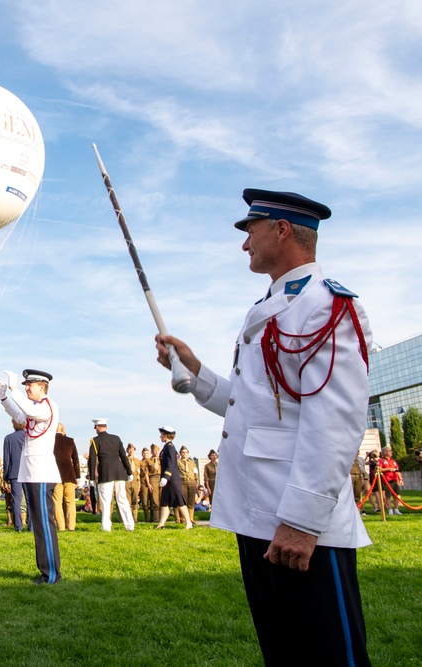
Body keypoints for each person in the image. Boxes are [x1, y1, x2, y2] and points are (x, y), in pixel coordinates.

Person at [155, 189, 372, 665]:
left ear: (281, 229)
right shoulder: (270, 305)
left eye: (249, 230)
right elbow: (254, 407)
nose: (243, 243)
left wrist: (302, 521)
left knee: (327, 654)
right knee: (285, 650)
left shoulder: (325, 306)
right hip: (259, 516)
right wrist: (195, 373)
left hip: (298, 523)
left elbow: (335, 419)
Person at [0, 369, 61, 584]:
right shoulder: (36, 409)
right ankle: (45, 571)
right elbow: (19, 415)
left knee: (43, 526)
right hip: (32, 473)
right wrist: (4, 396)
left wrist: (13, 389)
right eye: (24, 385)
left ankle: (51, 574)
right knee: (39, 526)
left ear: (42, 386)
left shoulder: (47, 406)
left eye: (29, 385)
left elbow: (29, 412)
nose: (26, 388)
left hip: (41, 473)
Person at [87, 418, 135, 532]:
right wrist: (129, 472)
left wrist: (92, 478)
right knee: (122, 499)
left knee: (105, 501)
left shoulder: (94, 441)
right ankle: (129, 525)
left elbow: (92, 460)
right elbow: (123, 456)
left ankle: (106, 526)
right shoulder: (116, 438)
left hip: (106, 472)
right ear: (106, 426)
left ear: (97, 427)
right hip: (119, 471)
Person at [156, 427, 192, 529]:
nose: (160, 436)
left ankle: (188, 522)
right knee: (165, 501)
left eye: (162, 434)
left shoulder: (170, 447)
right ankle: (161, 524)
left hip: (172, 479)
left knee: (179, 500)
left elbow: (171, 463)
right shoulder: (166, 447)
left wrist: (166, 476)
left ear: (166, 435)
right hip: (168, 479)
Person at [52, 423, 80, 531]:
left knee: (57, 502)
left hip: (55, 475)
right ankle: (71, 526)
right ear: (63, 430)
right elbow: (76, 460)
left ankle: (61, 526)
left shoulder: (50, 441)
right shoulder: (70, 441)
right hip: (69, 475)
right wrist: (77, 476)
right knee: (70, 501)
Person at [2, 419, 27, 531]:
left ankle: (18, 526)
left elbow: (6, 459)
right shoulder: (29, 436)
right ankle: (31, 525)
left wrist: (6, 475)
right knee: (29, 499)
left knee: (16, 500)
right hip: (28, 472)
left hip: (14, 472)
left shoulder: (8, 438)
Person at [378, 446, 403, 515]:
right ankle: (390, 509)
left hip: (395, 480)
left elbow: (397, 470)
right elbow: (378, 469)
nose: (391, 452)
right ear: (385, 452)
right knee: (388, 496)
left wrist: (400, 479)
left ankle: (396, 509)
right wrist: (388, 469)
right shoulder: (381, 461)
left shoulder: (393, 461)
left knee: (396, 495)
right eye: (389, 451)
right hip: (387, 481)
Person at [179, 445, 199, 523]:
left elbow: (195, 471)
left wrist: (196, 480)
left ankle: (191, 517)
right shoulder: (178, 462)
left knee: (191, 500)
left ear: (188, 453)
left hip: (192, 481)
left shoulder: (192, 462)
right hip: (182, 481)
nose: (184, 454)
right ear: (180, 453)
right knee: (184, 500)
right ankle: (183, 518)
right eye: (183, 452)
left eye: (186, 452)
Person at [140, 445, 160, 522]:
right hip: (153, 478)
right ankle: (155, 518)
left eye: (157, 450)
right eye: (154, 450)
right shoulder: (148, 461)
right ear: (152, 452)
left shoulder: (161, 459)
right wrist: (148, 483)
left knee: (160, 498)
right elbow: (146, 473)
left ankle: (161, 517)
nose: (156, 452)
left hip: (161, 478)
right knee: (154, 499)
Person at [125, 444, 143, 522]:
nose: (131, 451)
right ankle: (128, 518)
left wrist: (139, 483)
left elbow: (139, 472)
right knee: (127, 499)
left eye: (132, 449)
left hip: (135, 479)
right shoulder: (124, 459)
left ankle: (135, 518)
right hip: (126, 480)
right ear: (127, 450)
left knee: (135, 499)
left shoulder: (137, 460)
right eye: (129, 449)